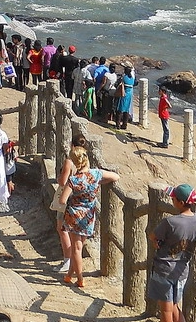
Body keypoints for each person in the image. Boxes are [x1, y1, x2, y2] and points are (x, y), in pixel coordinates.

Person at [147, 184, 196, 322]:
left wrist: (156, 242)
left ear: (179, 202)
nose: (171, 199)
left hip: (164, 270)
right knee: (175, 308)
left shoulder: (169, 222)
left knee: (165, 311)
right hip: (181, 271)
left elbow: (153, 236)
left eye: (173, 198)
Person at [58, 145, 120, 288]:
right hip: (89, 215)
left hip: (74, 215)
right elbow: (115, 176)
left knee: (76, 249)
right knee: (79, 247)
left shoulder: (74, 180)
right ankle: (69, 275)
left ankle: (80, 278)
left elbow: (62, 200)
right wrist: (100, 182)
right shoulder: (96, 175)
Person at [52, 137, 86, 274]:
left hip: (67, 197)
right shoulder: (84, 160)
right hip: (79, 198)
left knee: (62, 229)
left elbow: (62, 181)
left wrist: (59, 177)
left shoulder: (69, 161)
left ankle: (67, 260)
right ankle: (72, 260)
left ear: (72, 145)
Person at [116, 65, 135, 130]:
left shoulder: (124, 77)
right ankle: (124, 124)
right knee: (126, 109)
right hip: (130, 95)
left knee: (120, 109)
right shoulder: (132, 78)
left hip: (124, 94)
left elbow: (120, 84)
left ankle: (118, 124)